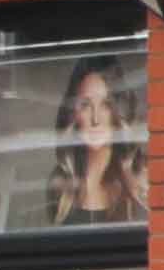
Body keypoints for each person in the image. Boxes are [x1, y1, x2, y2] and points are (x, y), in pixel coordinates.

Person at [44, 57, 147, 225]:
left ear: (117, 111)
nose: (95, 119)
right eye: (85, 105)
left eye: (106, 104)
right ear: (74, 114)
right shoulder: (61, 183)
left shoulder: (138, 173)